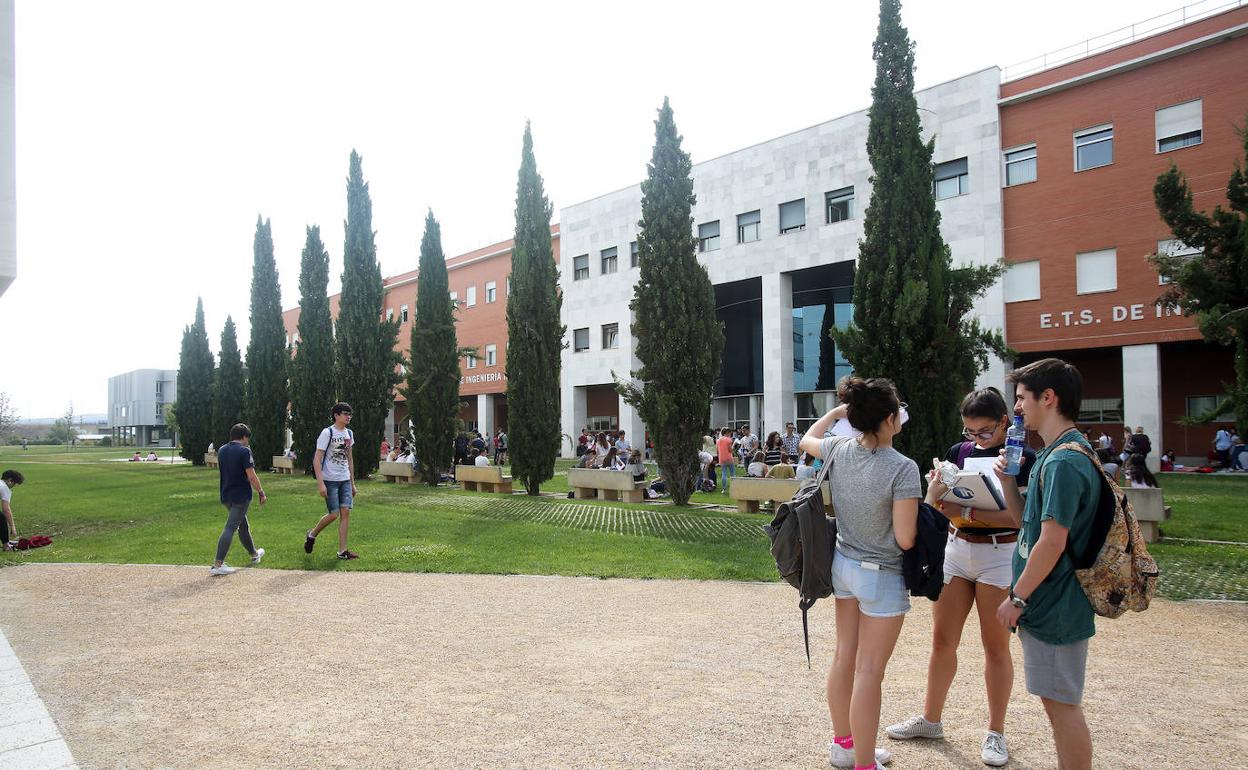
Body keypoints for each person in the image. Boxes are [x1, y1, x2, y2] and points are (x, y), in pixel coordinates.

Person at [887, 387, 1035, 767]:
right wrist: (950, 501)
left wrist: (963, 511)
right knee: (942, 641)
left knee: (995, 646)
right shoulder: (960, 452)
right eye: (970, 432)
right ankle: (931, 719)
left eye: (984, 432)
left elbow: (1018, 517)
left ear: (1005, 422)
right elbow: (938, 503)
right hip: (958, 549)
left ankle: (996, 732)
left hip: (999, 554)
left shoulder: (1023, 457)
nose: (975, 440)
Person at [797, 376, 920, 770]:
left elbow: (806, 440)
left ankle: (845, 746)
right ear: (889, 419)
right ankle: (865, 763)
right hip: (881, 573)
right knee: (869, 671)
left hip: (843, 565)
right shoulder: (903, 468)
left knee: (844, 658)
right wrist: (930, 500)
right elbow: (905, 538)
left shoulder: (838, 448)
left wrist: (836, 412)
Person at [993, 358, 1098, 770]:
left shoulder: (1063, 462)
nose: (1017, 408)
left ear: (1048, 398)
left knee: (1062, 707)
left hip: (1054, 603)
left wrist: (1017, 598)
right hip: (1048, 602)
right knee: (1057, 703)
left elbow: (1053, 542)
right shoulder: (1052, 456)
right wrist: (1007, 481)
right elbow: (1028, 527)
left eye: (1021, 398)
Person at [209, 423, 266, 576]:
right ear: (244, 437)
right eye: (248, 438)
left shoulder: (222, 450)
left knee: (243, 526)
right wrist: (261, 492)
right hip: (241, 496)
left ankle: (254, 554)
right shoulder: (244, 451)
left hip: (226, 494)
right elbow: (251, 475)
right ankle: (218, 564)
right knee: (231, 527)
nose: (248, 442)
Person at [305, 402, 358, 560]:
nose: (348, 416)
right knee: (334, 514)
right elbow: (317, 460)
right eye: (345, 413)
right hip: (330, 480)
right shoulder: (327, 433)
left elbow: (349, 458)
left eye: (350, 414)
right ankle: (312, 534)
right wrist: (321, 484)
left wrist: (352, 483)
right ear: (336, 415)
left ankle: (342, 551)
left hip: (345, 479)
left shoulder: (349, 433)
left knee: (345, 513)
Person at [1, 470, 24, 551]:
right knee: (2, 518)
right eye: (14, 483)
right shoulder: (4, 487)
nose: (13, 486)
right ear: (10, 480)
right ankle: (6, 545)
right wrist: (12, 526)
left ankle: (5, 541)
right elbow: (6, 509)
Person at [716, 427, 736, 495]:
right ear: (727, 433)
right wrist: (733, 447)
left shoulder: (718, 440)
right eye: (730, 433)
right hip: (729, 458)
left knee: (724, 474)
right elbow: (730, 450)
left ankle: (724, 489)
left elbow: (717, 450)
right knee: (732, 473)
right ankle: (734, 487)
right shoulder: (729, 440)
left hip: (721, 458)